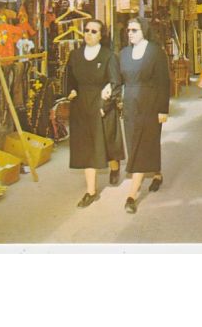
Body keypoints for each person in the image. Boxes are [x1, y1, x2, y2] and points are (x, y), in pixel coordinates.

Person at [66, 20, 124, 208]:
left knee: (107, 144)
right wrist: (71, 91)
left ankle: (114, 166)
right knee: (87, 149)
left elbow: (116, 83)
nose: (89, 34)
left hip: (101, 104)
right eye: (86, 30)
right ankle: (91, 191)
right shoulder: (74, 55)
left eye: (94, 31)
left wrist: (105, 105)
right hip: (81, 106)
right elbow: (69, 79)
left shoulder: (109, 56)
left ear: (101, 36)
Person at [119, 17, 170, 214]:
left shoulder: (156, 52)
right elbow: (118, 79)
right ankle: (157, 174)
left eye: (135, 30)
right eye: (129, 30)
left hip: (150, 104)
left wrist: (163, 109)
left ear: (144, 31)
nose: (130, 33)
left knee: (143, 144)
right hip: (130, 105)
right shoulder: (124, 54)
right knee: (136, 143)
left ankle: (132, 195)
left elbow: (163, 82)